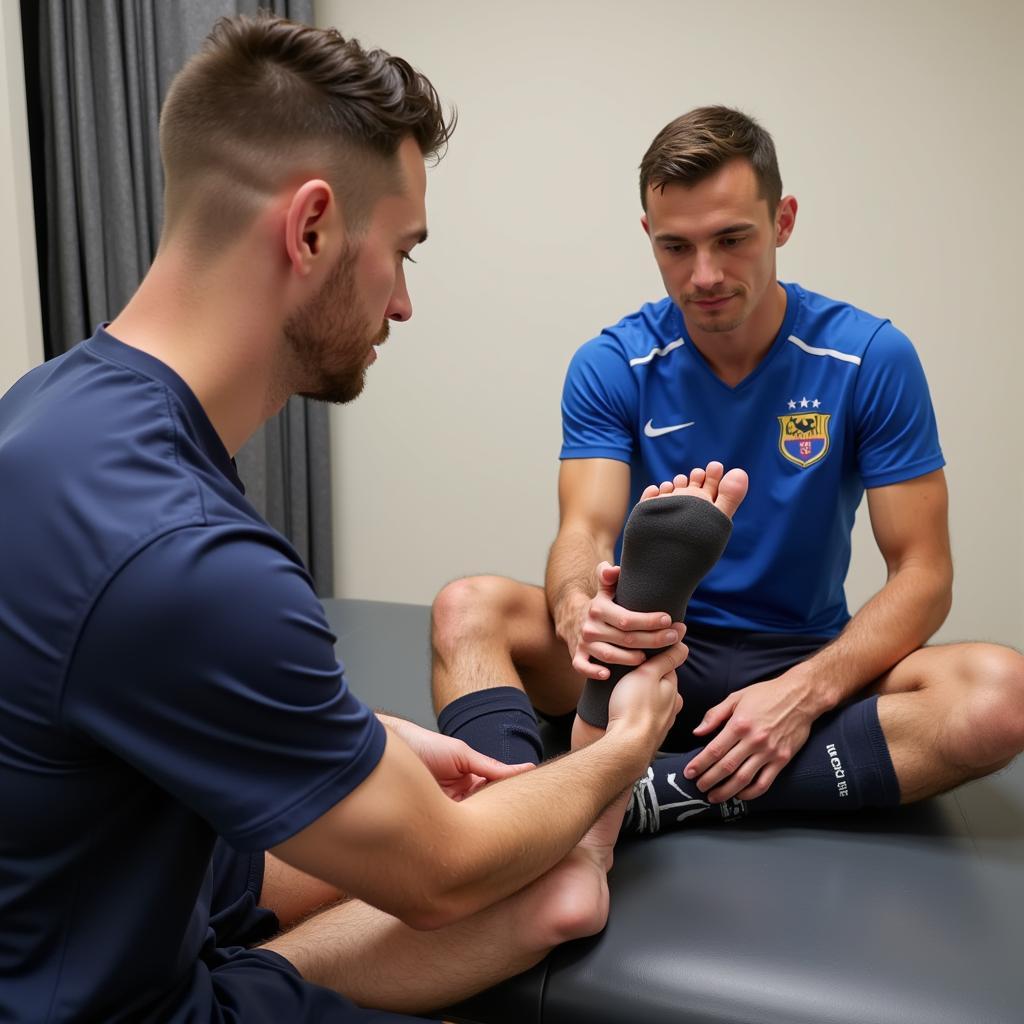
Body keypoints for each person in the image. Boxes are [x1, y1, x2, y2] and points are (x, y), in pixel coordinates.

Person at [0, 15, 688, 1023]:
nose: (403, 304)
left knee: (511, 873)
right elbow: (441, 876)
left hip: (92, 890)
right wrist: (621, 750)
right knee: (496, 874)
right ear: (312, 227)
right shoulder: (190, 555)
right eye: (401, 252)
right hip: (109, 1000)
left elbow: (111, 683)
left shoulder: (49, 407)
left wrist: (378, 737)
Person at [431, 105, 1024, 834]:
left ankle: (658, 792)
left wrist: (805, 693)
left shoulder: (870, 357)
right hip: (655, 645)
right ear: (648, 237)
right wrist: (579, 610)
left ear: (783, 221)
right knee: (468, 609)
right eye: (677, 247)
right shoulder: (613, 363)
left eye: (731, 239)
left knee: (1001, 696)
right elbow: (584, 530)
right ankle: (502, 818)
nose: (704, 274)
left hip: (804, 650)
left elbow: (924, 574)